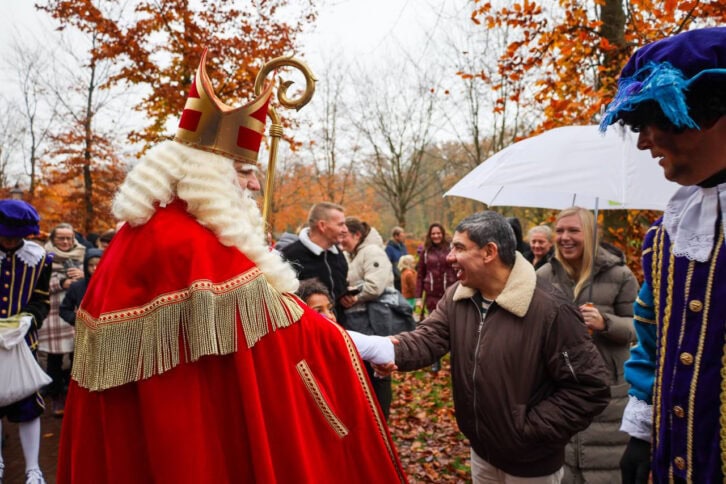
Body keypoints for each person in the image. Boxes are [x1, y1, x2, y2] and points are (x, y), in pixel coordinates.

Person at [56, 49, 406, 483]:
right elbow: (281, 332)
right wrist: (368, 346)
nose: (255, 184)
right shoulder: (191, 244)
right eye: (242, 171)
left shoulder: (141, 231)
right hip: (193, 440)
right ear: (204, 173)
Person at [374, 211, 610, 483]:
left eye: (459, 248)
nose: (450, 257)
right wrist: (386, 349)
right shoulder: (458, 296)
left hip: (531, 465)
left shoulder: (551, 309)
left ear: (489, 252)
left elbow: (589, 388)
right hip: (482, 453)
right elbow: (428, 338)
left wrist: (527, 432)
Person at [598, 27, 726, 483]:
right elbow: (651, 340)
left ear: (712, 111)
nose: (643, 142)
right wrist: (641, 432)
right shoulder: (666, 237)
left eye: (654, 120)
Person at [536, 207, 638, 483]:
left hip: (608, 389)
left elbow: (639, 328)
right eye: (559, 231)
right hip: (558, 386)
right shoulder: (544, 276)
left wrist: (605, 322)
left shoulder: (620, 275)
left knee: (603, 469)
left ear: (591, 234)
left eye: (574, 230)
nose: (565, 237)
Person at [0, 200, 53, 484]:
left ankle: (33, 469)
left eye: (15, 236)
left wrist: (29, 319)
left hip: (23, 342)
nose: (9, 241)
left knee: (28, 405)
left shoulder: (40, 258)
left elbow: (41, 300)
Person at [339, 217, 396, 419]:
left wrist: (353, 297)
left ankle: (380, 417)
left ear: (357, 235)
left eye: (345, 235)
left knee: (378, 368)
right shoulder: (352, 254)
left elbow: (374, 285)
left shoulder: (371, 252)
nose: (341, 240)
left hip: (374, 320)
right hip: (360, 320)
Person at [39, 223, 85, 417]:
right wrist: (60, 283)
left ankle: (74, 396)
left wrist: (84, 275)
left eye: (69, 238)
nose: (65, 242)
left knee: (77, 356)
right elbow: (35, 285)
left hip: (75, 314)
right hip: (53, 315)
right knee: (54, 359)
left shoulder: (83, 255)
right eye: (61, 238)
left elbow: (96, 277)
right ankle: (57, 396)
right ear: (53, 239)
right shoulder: (43, 258)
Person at [281, 202, 349, 322]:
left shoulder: (338, 254)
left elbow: (339, 289)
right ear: (322, 225)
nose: (345, 230)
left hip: (339, 328)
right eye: (340, 224)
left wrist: (346, 297)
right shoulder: (290, 256)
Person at [415, 223, 457, 315]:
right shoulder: (425, 252)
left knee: (451, 320)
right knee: (435, 321)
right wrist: (418, 298)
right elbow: (420, 275)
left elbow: (458, 270)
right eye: (433, 234)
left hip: (450, 294)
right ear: (429, 235)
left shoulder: (451, 249)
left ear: (443, 234)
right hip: (432, 298)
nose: (436, 236)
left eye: (438, 233)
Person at [58, 248, 103, 326]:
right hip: (86, 330)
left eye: (98, 265)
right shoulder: (77, 287)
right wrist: (77, 320)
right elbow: (64, 310)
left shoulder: (112, 286)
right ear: (85, 266)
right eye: (91, 265)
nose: (94, 268)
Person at [385, 226, 407, 291]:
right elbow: (387, 265)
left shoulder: (403, 247)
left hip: (404, 278)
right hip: (396, 281)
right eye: (402, 236)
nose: (404, 238)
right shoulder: (389, 249)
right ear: (396, 236)